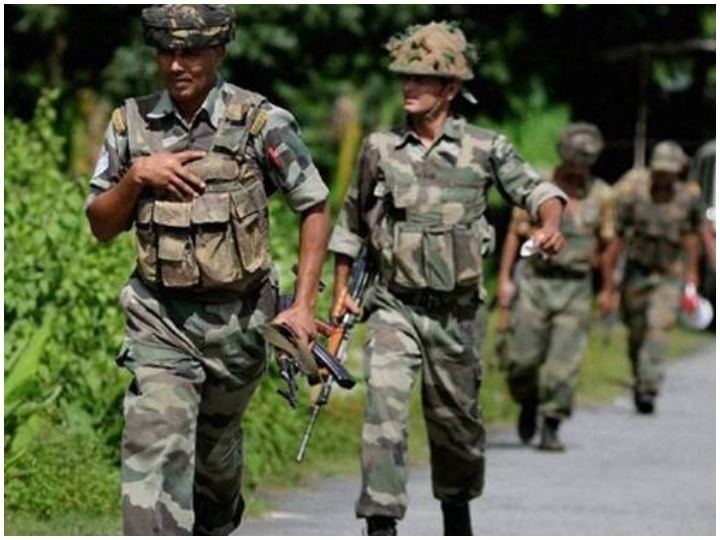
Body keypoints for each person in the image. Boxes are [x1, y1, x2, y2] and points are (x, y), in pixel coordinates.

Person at [84, 5, 330, 535]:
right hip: (159, 318)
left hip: (238, 324)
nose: (177, 64)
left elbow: (313, 205)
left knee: (213, 457)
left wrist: (304, 306)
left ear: (217, 53)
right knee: (155, 441)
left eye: (191, 51)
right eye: (166, 51)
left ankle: (217, 515)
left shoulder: (262, 122)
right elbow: (101, 224)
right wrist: (136, 178)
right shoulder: (131, 123)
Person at [328, 21, 567, 536]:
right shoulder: (379, 148)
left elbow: (537, 191)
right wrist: (343, 288)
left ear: (451, 89)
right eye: (405, 78)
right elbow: (350, 223)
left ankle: (456, 510)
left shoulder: (485, 148)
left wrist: (550, 224)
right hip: (395, 306)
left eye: (422, 80)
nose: (409, 88)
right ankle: (381, 520)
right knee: (383, 409)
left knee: (456, 427)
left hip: (457, 315)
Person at [497, 122, 616, 451]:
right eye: (575, 158)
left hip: (575, 287)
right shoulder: (537, 186)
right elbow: (514, 234)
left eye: (586, 160)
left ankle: (552, 424)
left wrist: (608, 289)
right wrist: (505, 279)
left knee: (564, 364)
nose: (580, 166)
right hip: (535, 283)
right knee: (522, 360)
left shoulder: (603, 196)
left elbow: (608, 244)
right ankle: (528, 402)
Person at [608, 140, 703, 414]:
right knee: (637, 330)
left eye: (669, 172)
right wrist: (612, 278)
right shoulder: (634, 194)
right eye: (660, 170)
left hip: (669, 274)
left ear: (678, 171)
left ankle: (650, 387)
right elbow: (618, 236)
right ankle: (640, 377)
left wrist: (692, 275)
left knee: (658, 327)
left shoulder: (688, 197)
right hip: (636, 272)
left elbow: (691, 237)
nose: (663, 176)